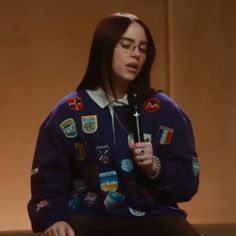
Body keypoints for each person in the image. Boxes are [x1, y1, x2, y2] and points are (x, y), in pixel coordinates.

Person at [28, 12, 201, 236]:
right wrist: (54, 219)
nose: (136, 54)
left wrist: (155, 167)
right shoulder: (70, 110)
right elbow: (48, 180)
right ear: (104, 49)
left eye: (142, 48)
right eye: (127, 45)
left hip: (155, 217)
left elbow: (187, 180)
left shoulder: (164, 110)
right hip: (89, 217)